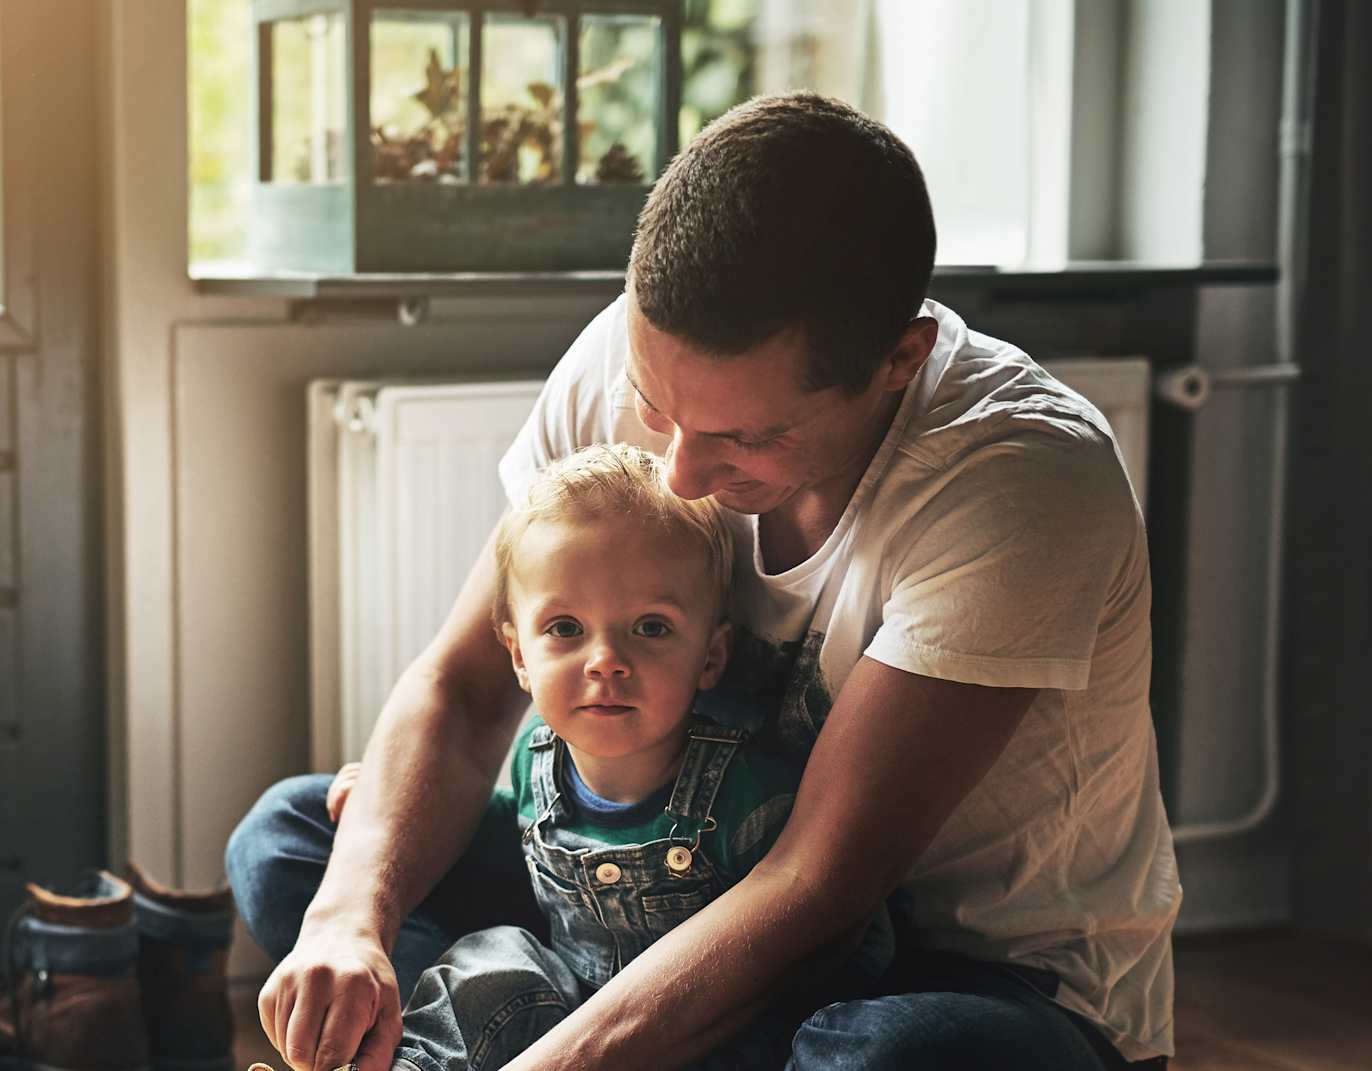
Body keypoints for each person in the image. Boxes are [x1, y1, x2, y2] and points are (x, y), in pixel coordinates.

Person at [228, 93, 1178, 1071]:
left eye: (744, 436)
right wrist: (347, 924)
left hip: (937, 971)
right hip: (631, 900)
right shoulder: (629, 352)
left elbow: (816, 883)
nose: (678, 471)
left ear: (901, 360)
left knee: (886, 1054)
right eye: (654, 404)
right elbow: (467, 687)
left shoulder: (1021, 478)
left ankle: (505, 1040)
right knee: (296, 847)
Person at [352, 442, 894, 1071]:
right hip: (570, 1015)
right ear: (519, 656)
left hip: (711, 1036)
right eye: (565, 629)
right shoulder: (538, 760)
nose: (604, 659)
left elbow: (839, 938)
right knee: (488, 959)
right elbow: (509, 828)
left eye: (651, 627)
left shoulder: (749, 791)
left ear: (711, 656)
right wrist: (384, 790)